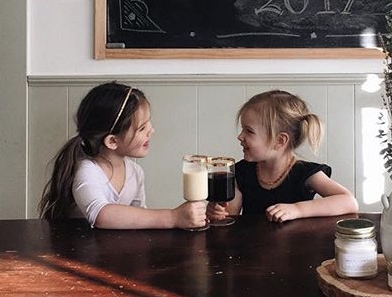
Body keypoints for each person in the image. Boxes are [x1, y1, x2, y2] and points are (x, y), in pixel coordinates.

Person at [39, 81, 206, 230]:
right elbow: (101, 215)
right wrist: (173, 217)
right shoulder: (87, 171)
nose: (152, 131)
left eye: (149, 123)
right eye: (142, 128)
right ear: (112, 141)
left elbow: (140, 219)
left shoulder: (135, 172)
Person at [207, 89, 358, 224]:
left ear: (280, 141)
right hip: (251, 245)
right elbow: (230, 217)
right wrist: (217, 213)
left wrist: (298, 209)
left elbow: (349, 202)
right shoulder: (241, 172)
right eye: (242, 129)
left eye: (249, 131)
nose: (240, 136)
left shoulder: (305, 173)